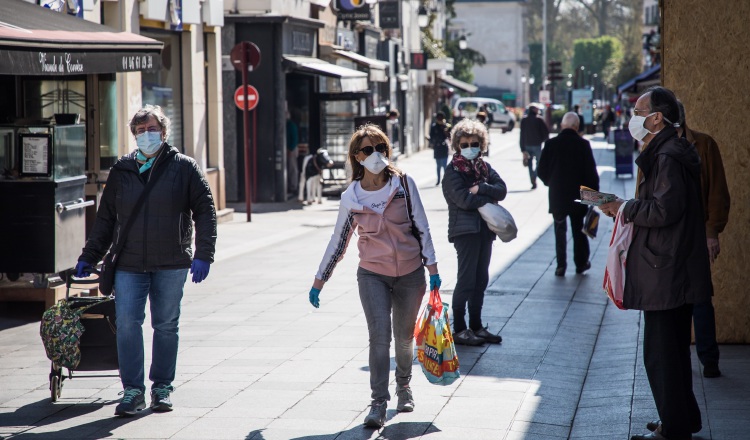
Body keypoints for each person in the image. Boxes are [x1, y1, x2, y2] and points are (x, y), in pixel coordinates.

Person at [75, 105, 217, 416]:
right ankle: (133, 391)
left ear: (164, 132)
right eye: (140, 131)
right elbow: (106, 219)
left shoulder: (185, 167)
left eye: (151, 129)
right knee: (127, 325)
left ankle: (162, 387)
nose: (146, 135)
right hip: (129, 263)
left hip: (171, 262)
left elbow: (205, 210)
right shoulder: (122, 170)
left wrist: (204, 254)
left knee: (165, 325)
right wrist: (90, 256)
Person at [308, 124, 440, 429]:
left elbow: (422, 225)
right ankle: (378, 402)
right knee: (380, 337)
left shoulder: (404, 184)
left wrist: (432, 268)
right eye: (369, 149)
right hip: (372, 275)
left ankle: (404, 386)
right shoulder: (351, 196)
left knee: (404, 338)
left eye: (381, 148)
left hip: (410, 273)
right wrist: (319, 281)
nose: (377, 154)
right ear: (357, 156)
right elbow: (338, 242)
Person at [599, 87, 711, 440]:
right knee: (672, 353)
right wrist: (626, 204)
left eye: (638, 110)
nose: (633, 117)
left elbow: (664, 210)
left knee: (662, 355)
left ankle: (674, 429)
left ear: (657, 117)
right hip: (672, 267)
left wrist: (624, 208)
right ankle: (680, 419)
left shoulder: (666, 156)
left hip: (667, 269)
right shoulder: (669, 151)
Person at [676, 100, 731, 379]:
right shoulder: (653, 149)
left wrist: (712, 232)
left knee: (700, 298)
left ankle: (709, 359)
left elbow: (717, 192)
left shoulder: (704, 145)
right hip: (668, 238)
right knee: (672, 301)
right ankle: (678, 359)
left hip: (696, 235)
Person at [441, 119, 507, 346]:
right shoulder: (452, 172)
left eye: (474, 143)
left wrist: (481, 188)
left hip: (485, 231)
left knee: (481, 280)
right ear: (457, 145)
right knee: (466, 280)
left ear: (482, 144)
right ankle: (459, 328)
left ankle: (476, 326)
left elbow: (502, 190)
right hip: (465, 232)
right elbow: (463, 200)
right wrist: (486, 197)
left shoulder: (484, 168)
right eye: (465, 143)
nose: (470, 147)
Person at [537, 112, 599, 277]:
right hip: (579, 196)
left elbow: (541, 170)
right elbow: (591, 173)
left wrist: (551, 182)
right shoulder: (583, 145)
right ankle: (581, 264)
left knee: (559, 230)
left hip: (557, 196)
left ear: (562, 125)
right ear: (577, 127)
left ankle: (560, 265)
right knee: (579, 230)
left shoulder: (550, 144)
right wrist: (595, 197)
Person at [519, 105, 549, 189]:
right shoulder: (539, 120)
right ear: (534, 110)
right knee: (538, 162)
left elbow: (521, 134)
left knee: (529, 164)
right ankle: (534, 176)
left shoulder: (524, 120)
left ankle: (532, 177)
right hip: (537, 145)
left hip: (527, 145)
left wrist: (522, 147)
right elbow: (546, 133)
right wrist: (542, 140)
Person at [430, 112, 450, 185]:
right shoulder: (434, 127)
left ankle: (445, 181)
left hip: (444, 148)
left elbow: (449, 136)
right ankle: (438, 180)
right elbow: (431, 137)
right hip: (437, 148)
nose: (440, 120)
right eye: (438, 118)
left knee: (444, 165)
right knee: (438, 165)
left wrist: (445, 130)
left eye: (441, 118)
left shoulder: (446, 126)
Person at [286, 111, 299, 196]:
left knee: (292, 168)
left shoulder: (291, 125)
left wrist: (290, 149)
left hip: (291, 149)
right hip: (287, 149)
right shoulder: (287, 125)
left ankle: (293, 187)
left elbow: (295, 139)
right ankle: (289, 186)